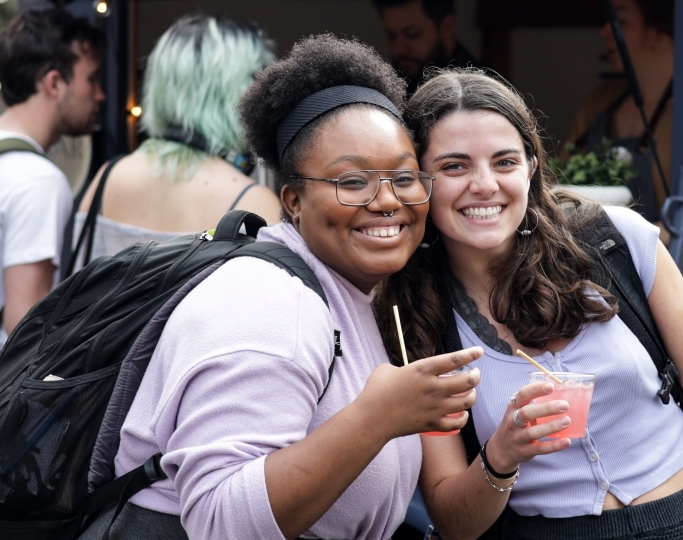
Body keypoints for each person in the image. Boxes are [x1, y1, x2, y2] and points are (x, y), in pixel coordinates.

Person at [78, 35, 482, 540]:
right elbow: (221, 521)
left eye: (403, 178)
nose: (387, 201)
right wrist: (378, 416)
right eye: (352, 181)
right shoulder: (268, 303)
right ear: (292, 200)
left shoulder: (350, 289)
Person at [377, 69, 683, 540]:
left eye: (504, 162)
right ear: (419, 182)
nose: (484, 184)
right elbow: (453, 521)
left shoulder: (617, 242)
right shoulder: (415, 316)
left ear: (531, 168)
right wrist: (501, 456)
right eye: (455, 166)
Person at [0, 8, 104, 540]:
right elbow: (23, 329)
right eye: (93, 80)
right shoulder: (36, 179)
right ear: (54, 83)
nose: (101, 96)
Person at [73, 14, 281, 268]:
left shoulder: (105, 179)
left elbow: (75, 284)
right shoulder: (253, 205)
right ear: (233, 91)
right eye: (256, 80)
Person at [568, 0, 683, 239]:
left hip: (653, 267)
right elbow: (559, 188)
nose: (605, 30)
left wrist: (618, 244)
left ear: (660, 32)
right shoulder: (600, 102)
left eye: (621, 21)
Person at [372, 0, 483, 94]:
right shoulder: (386, 88)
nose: (398, 49)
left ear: (447, 27)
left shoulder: (481, 90)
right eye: (392, 36)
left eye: (412, 34)